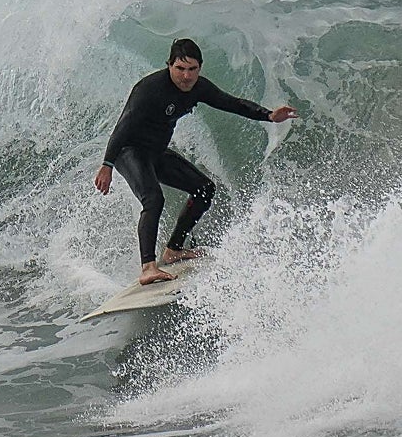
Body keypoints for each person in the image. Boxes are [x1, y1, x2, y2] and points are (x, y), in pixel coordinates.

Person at [94, 38, 299, 285]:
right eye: (180, 68)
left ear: (200, 67)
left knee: (204, 188)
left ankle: (173, 250)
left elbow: (231, 103)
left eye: (192, 69)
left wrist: (268, 115)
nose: (186, 76)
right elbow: (123, 126)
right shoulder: (149, 89)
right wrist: (107, 165)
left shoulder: (198, 88)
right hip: (129, 151)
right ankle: (148, 267)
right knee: (153, 199)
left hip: (156, 152)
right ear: (169, 65)